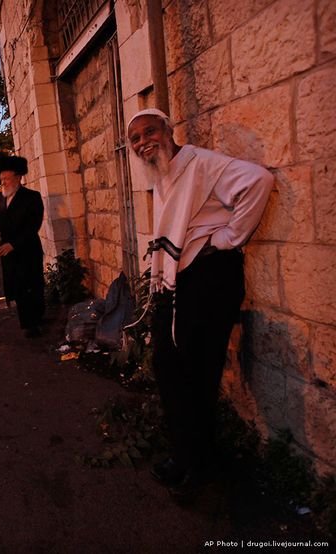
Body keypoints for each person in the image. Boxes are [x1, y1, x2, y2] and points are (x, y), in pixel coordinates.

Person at [127, 108, 273, 498]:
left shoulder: (201, 163)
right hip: (180, 282)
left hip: (209, 281)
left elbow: (259, 181)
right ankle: (186, 455)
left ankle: (201, 465)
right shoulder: (162, 174)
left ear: (168, 131)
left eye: (149, 132)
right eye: (135, 139)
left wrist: (225, 239)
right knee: (169, 366)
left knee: (197, 372)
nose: (143, 142)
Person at [0, 155, 45, 338]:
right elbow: (0, 222)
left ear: (18, 178)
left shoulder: (32, 197)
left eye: (7, 179)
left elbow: (33, 225)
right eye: (1, 180)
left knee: (33, 285)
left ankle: (35, 323)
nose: (3, 183)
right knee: (17, 287)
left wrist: (14, 244)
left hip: (27, 249)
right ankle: (26, 321)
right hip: (8, 252)